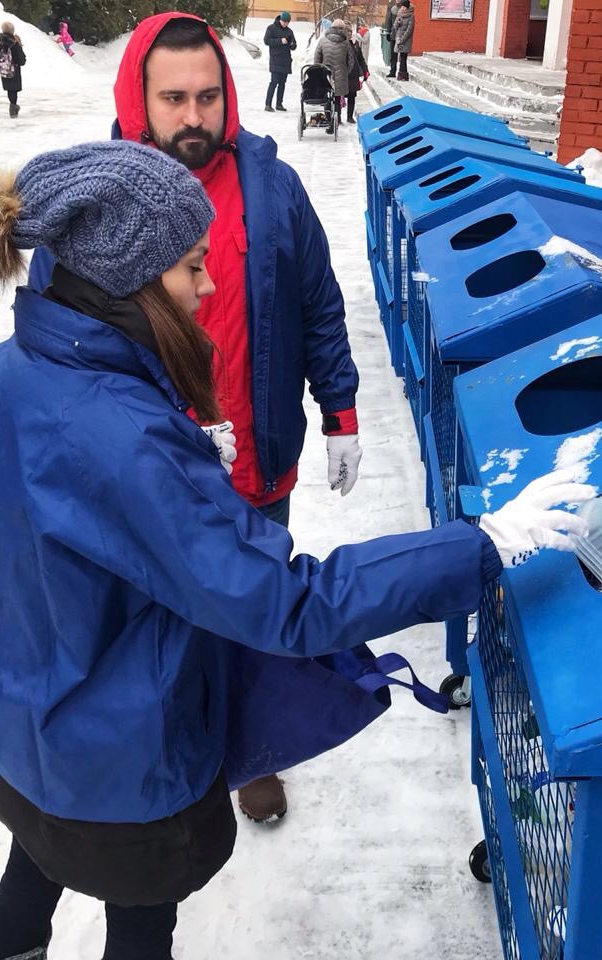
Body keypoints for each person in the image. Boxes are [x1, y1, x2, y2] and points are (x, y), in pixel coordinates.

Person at [0, 137, 591, 960]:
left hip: (28, 728)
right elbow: (287, 602)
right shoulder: (122, 438)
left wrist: (178, 467)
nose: (207, 289)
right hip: (127, 761)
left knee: (37, 860)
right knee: (141, 921)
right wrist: (476, 545)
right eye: (191, 268)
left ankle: (5, 946)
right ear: (128, 279)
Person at [58, 13, 365, 821]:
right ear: (137, 99)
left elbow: (318, 307)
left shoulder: (272, 188)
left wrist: (341, 410)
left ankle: (253, 747)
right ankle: (171, 750)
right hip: (147, 468)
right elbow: (58, 344)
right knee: (155, 620)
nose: (192, 117)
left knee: (260, 605)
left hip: (255, 457)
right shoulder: (93, 202)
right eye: (172, 99)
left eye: (207, 96)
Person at [313, 18, 354, 125]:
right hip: (341, 75)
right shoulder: (346, 43)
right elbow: (351, 61)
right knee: (337, 98)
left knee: (327, 97)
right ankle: (338, 118)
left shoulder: (323, 40)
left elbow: (317, 57)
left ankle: (328, 118)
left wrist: (319, 71)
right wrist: (345, 71)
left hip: (325, 74)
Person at [262, 10, 294, 112]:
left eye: (287, 22)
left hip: (286, 61)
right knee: (274, 82)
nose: (285, 24)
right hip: (275, 59)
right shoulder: (271, 28)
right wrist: (280, 41)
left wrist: (293, 45)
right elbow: (266, 41)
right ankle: (268, 104)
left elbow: (294, 44)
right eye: (284, 21)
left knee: (282, 83)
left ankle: (279, 104)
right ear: (280, 20)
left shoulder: (289, 31)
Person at [0, 22, 25, 118]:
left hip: (4, 70)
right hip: (14, 70)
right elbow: (21, 60)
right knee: (14, 90)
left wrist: (2, 62)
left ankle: (13, 106)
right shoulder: (15, 43)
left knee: (9, 89)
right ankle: (13, 108)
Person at [391, 0, 414, 81]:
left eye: (404, 7)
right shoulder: (399, 14)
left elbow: (409, 30)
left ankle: (402, 75)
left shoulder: (411, 16)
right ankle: (402, 75)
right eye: (402, 6)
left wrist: (402, 39)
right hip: (398, 38)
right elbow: (395, 26)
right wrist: (398, 22)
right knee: (400, 57)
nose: (403, 8)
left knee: (403, 57)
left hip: (406, 40)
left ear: (407, 7)